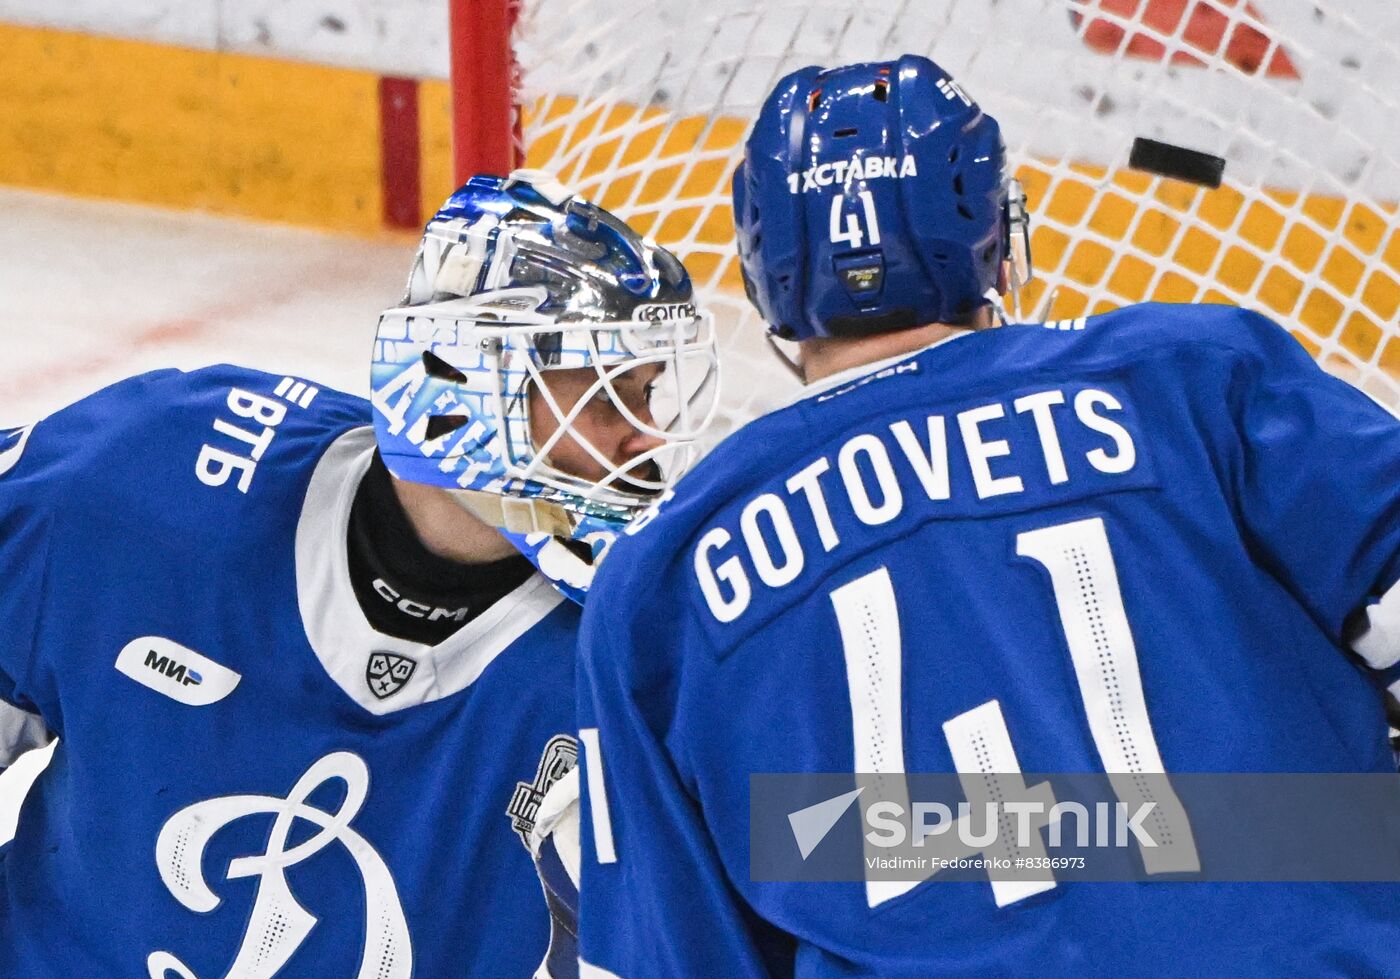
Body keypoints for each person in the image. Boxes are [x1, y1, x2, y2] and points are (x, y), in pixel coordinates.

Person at [571, 56, 1400, 976]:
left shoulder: (662, 580)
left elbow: (680, 951)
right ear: (992, 240)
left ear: (765, 270)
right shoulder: (1192, 376)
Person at [0, 170, 716, 978]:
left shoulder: (657, 634)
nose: (647, 440)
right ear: (469, 383)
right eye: (608, 396)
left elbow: (842, 843)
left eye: (648, 396)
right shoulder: (148, 481)